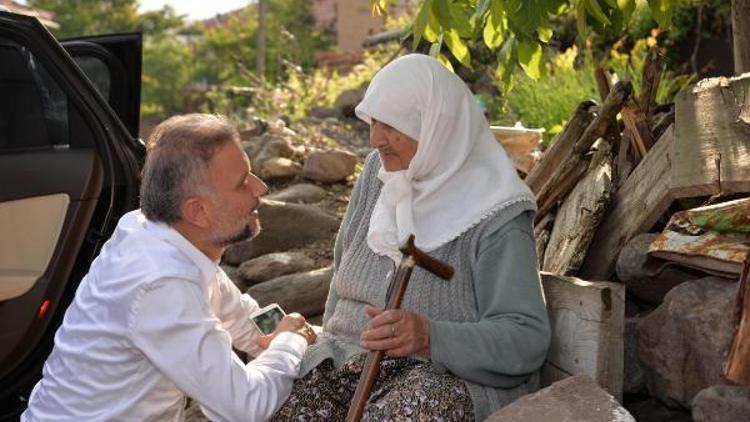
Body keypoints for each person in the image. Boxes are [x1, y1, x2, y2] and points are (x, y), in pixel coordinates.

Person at [273, 54, 551, 421]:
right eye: (373, 122)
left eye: (390, 126)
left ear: (433, 126)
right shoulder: (379, 172)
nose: (375, 139)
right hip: (347, 362)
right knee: (282, 405)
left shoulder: (496, 213)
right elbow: (342, 273)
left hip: (440, 378)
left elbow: (525, 338)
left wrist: (429, 336)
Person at [22, 114, 316, 421]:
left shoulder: (149, 229)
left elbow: (238, 315)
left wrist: (293, 334)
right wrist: (290, 343)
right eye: (242, 182)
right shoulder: (162, 282)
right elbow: (246, 406)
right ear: (198, 211)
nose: (261, 188)